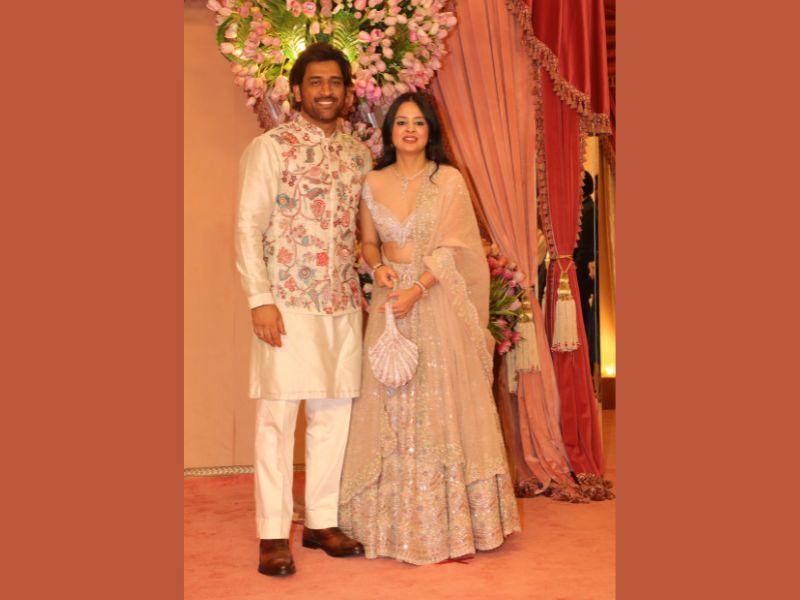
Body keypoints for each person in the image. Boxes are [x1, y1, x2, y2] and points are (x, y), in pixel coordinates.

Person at [339, 93, 521, 565]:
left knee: (438, 402)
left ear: (430, 130)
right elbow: (368, 242)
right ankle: (388, 523)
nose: (409, 129)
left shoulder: (448, 181)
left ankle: (450, 523)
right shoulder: (372, 181)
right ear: (389, 131)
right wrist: (378, 268)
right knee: (389, 401)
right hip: (389, 299)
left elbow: (456, 248)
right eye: (401, 122)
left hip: (434, 297)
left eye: (418, 122)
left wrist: (416, 289)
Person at [234, 42, 372, 577]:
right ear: (297, 91)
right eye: (315, 82)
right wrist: (260, 299)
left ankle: (321, 521)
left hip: (341, 302)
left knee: (333, 415)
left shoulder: (359, 155)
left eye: (335, 82)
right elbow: (248, 226)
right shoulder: (271, 147)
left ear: (348, 92)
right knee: (276, 419)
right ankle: (272, 534)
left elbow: (365, 233)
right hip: (286, 303)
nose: (326, 91)